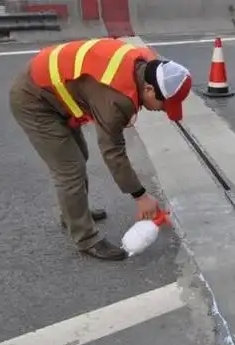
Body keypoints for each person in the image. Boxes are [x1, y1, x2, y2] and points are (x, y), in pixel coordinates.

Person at [9, 37, 192, 261]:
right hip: (33, 99)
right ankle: (85, 238)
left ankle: (74, 213)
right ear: (149, 88)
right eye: (164, 105)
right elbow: (112, 150)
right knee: (70, 168)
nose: (163, 111)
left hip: (50, 90)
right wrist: (140, 195)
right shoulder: (116, 98)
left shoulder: (145, 66)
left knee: (79, 155)